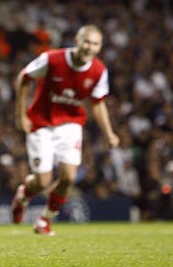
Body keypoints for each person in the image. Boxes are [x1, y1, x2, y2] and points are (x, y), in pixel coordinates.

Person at [11, 25, 120, 235]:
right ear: (76, 41)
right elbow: (23, 78)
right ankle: (23, 194)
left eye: (95, 43)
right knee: (42, 181)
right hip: (41, 123)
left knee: (69, 177)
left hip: (70, 124)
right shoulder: (52, 59)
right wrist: (20, 114)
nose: (89, 47)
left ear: (100, 47)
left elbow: (98, 103)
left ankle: (45, 221)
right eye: (86, 41)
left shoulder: (99, 71)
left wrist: (109, 133)